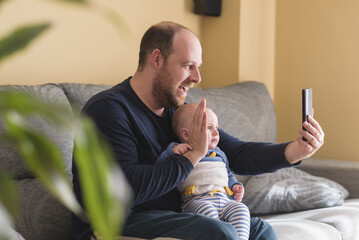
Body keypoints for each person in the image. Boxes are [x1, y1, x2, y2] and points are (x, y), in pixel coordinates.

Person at [71, 21, 325, 240]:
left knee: (260, 231)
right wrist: (192, 156)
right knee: (219, 233)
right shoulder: (109, 110)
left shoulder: (176, 111)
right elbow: (127, 190)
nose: (197, 78)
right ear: (157, 60)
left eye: (197, 66)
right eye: (188, 66)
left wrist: (293, 151)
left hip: (171, 215)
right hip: (116, 223)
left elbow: (234, 151)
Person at [158, 103, 251, 239]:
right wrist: (171, 152)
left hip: (224, 199)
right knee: (208, 216)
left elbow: (228, 174)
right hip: (196, 201)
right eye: (208, 127)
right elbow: (161, 170)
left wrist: (235, 185)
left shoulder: (219, 154)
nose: (216, 132)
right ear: (185, 134)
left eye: (216, 128)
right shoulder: (180, 150)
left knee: (241, 209)